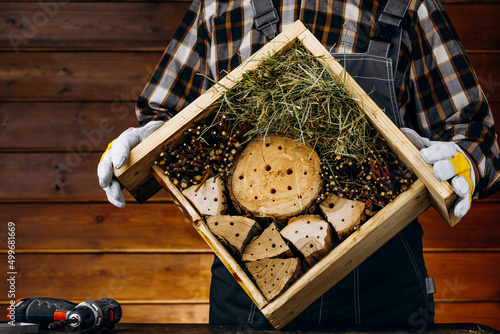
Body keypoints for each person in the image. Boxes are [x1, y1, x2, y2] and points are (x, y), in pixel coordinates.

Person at [98, 0, 500, 329]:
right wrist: (144, 140)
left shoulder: (407, 4)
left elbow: (475, 134)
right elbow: (167, 114)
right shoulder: (218, 6)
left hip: (381, 292)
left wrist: (465, 161)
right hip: (248, 291)